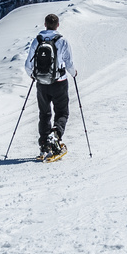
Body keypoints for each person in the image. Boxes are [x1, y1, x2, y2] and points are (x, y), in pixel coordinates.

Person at [24, 13, 76, 159]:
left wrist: (33, 75)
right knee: (62, 112)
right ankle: (56, 135)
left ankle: (44, 145)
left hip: (42, 83)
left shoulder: (37, 41)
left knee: (44, 114)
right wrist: (74, 73)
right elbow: (69, 62)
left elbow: (28, 64)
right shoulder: (62, 41)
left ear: (45, 25)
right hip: (59, 82)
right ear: (57, 25)